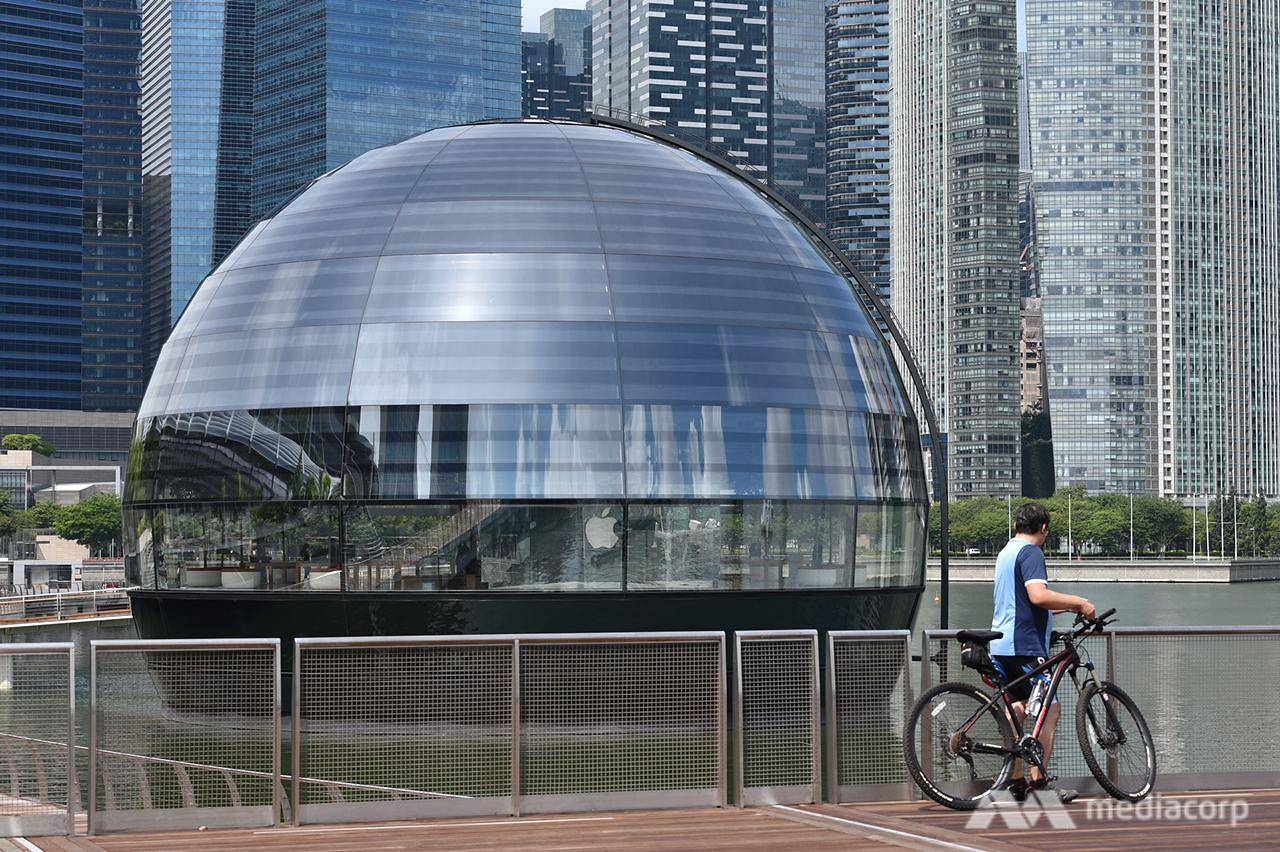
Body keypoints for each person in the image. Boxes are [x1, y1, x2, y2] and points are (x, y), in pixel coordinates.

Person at [990, 502, 1096, 804]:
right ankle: (1039, 786)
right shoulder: (1032, 552)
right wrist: (1080, 602)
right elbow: (1038, 596)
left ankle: (1018, 781)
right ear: (1044, 529)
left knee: (1020, 710)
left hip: (1002, 643)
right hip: (1025, 646)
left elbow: (1021, 601)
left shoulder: (1006, 551)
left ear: (1016, 525)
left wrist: (1062, 608)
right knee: (1050, 710)